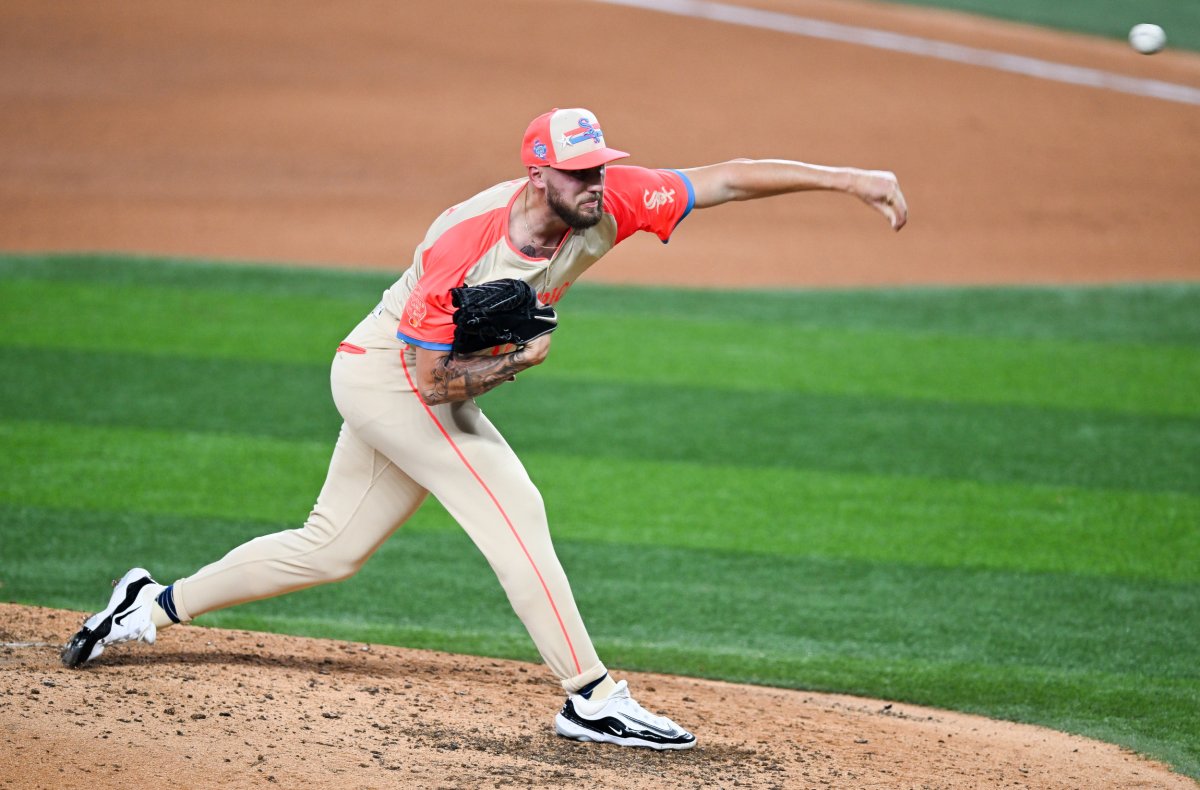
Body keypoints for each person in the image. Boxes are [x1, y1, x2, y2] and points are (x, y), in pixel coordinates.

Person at [62, 107, 907, 750]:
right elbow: (432, 380)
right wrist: (514, 364)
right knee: (512, 504)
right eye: (577, 173)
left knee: (331, 548)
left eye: (599, 168)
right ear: (538, 176)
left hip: (411, 380)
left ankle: (151, 603)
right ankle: (591, 697)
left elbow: (725, 179)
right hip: (388, 375)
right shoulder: (465, 243)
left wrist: (849, 180)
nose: (595, 185)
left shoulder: (612, 199)